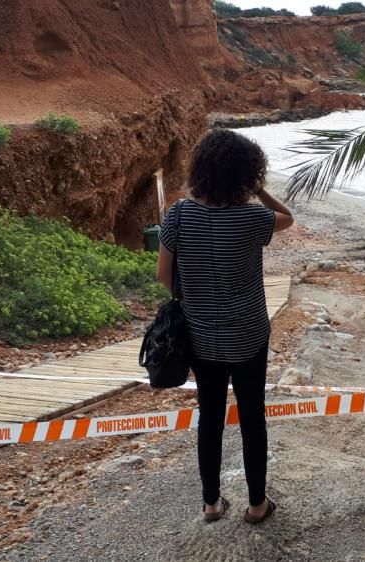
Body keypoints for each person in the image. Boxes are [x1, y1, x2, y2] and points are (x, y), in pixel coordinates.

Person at [156, 129, 293, 524]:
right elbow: (288, 217)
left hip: (200, 337)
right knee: (253, 417)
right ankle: (256, 505)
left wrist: (197, 298)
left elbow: (164, 277)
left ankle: (212, 504)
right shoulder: (253, 217)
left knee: (210, 417)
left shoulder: (178, 216)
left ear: (200, 169)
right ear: (245, 174)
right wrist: (260, 190)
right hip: (249, 334)